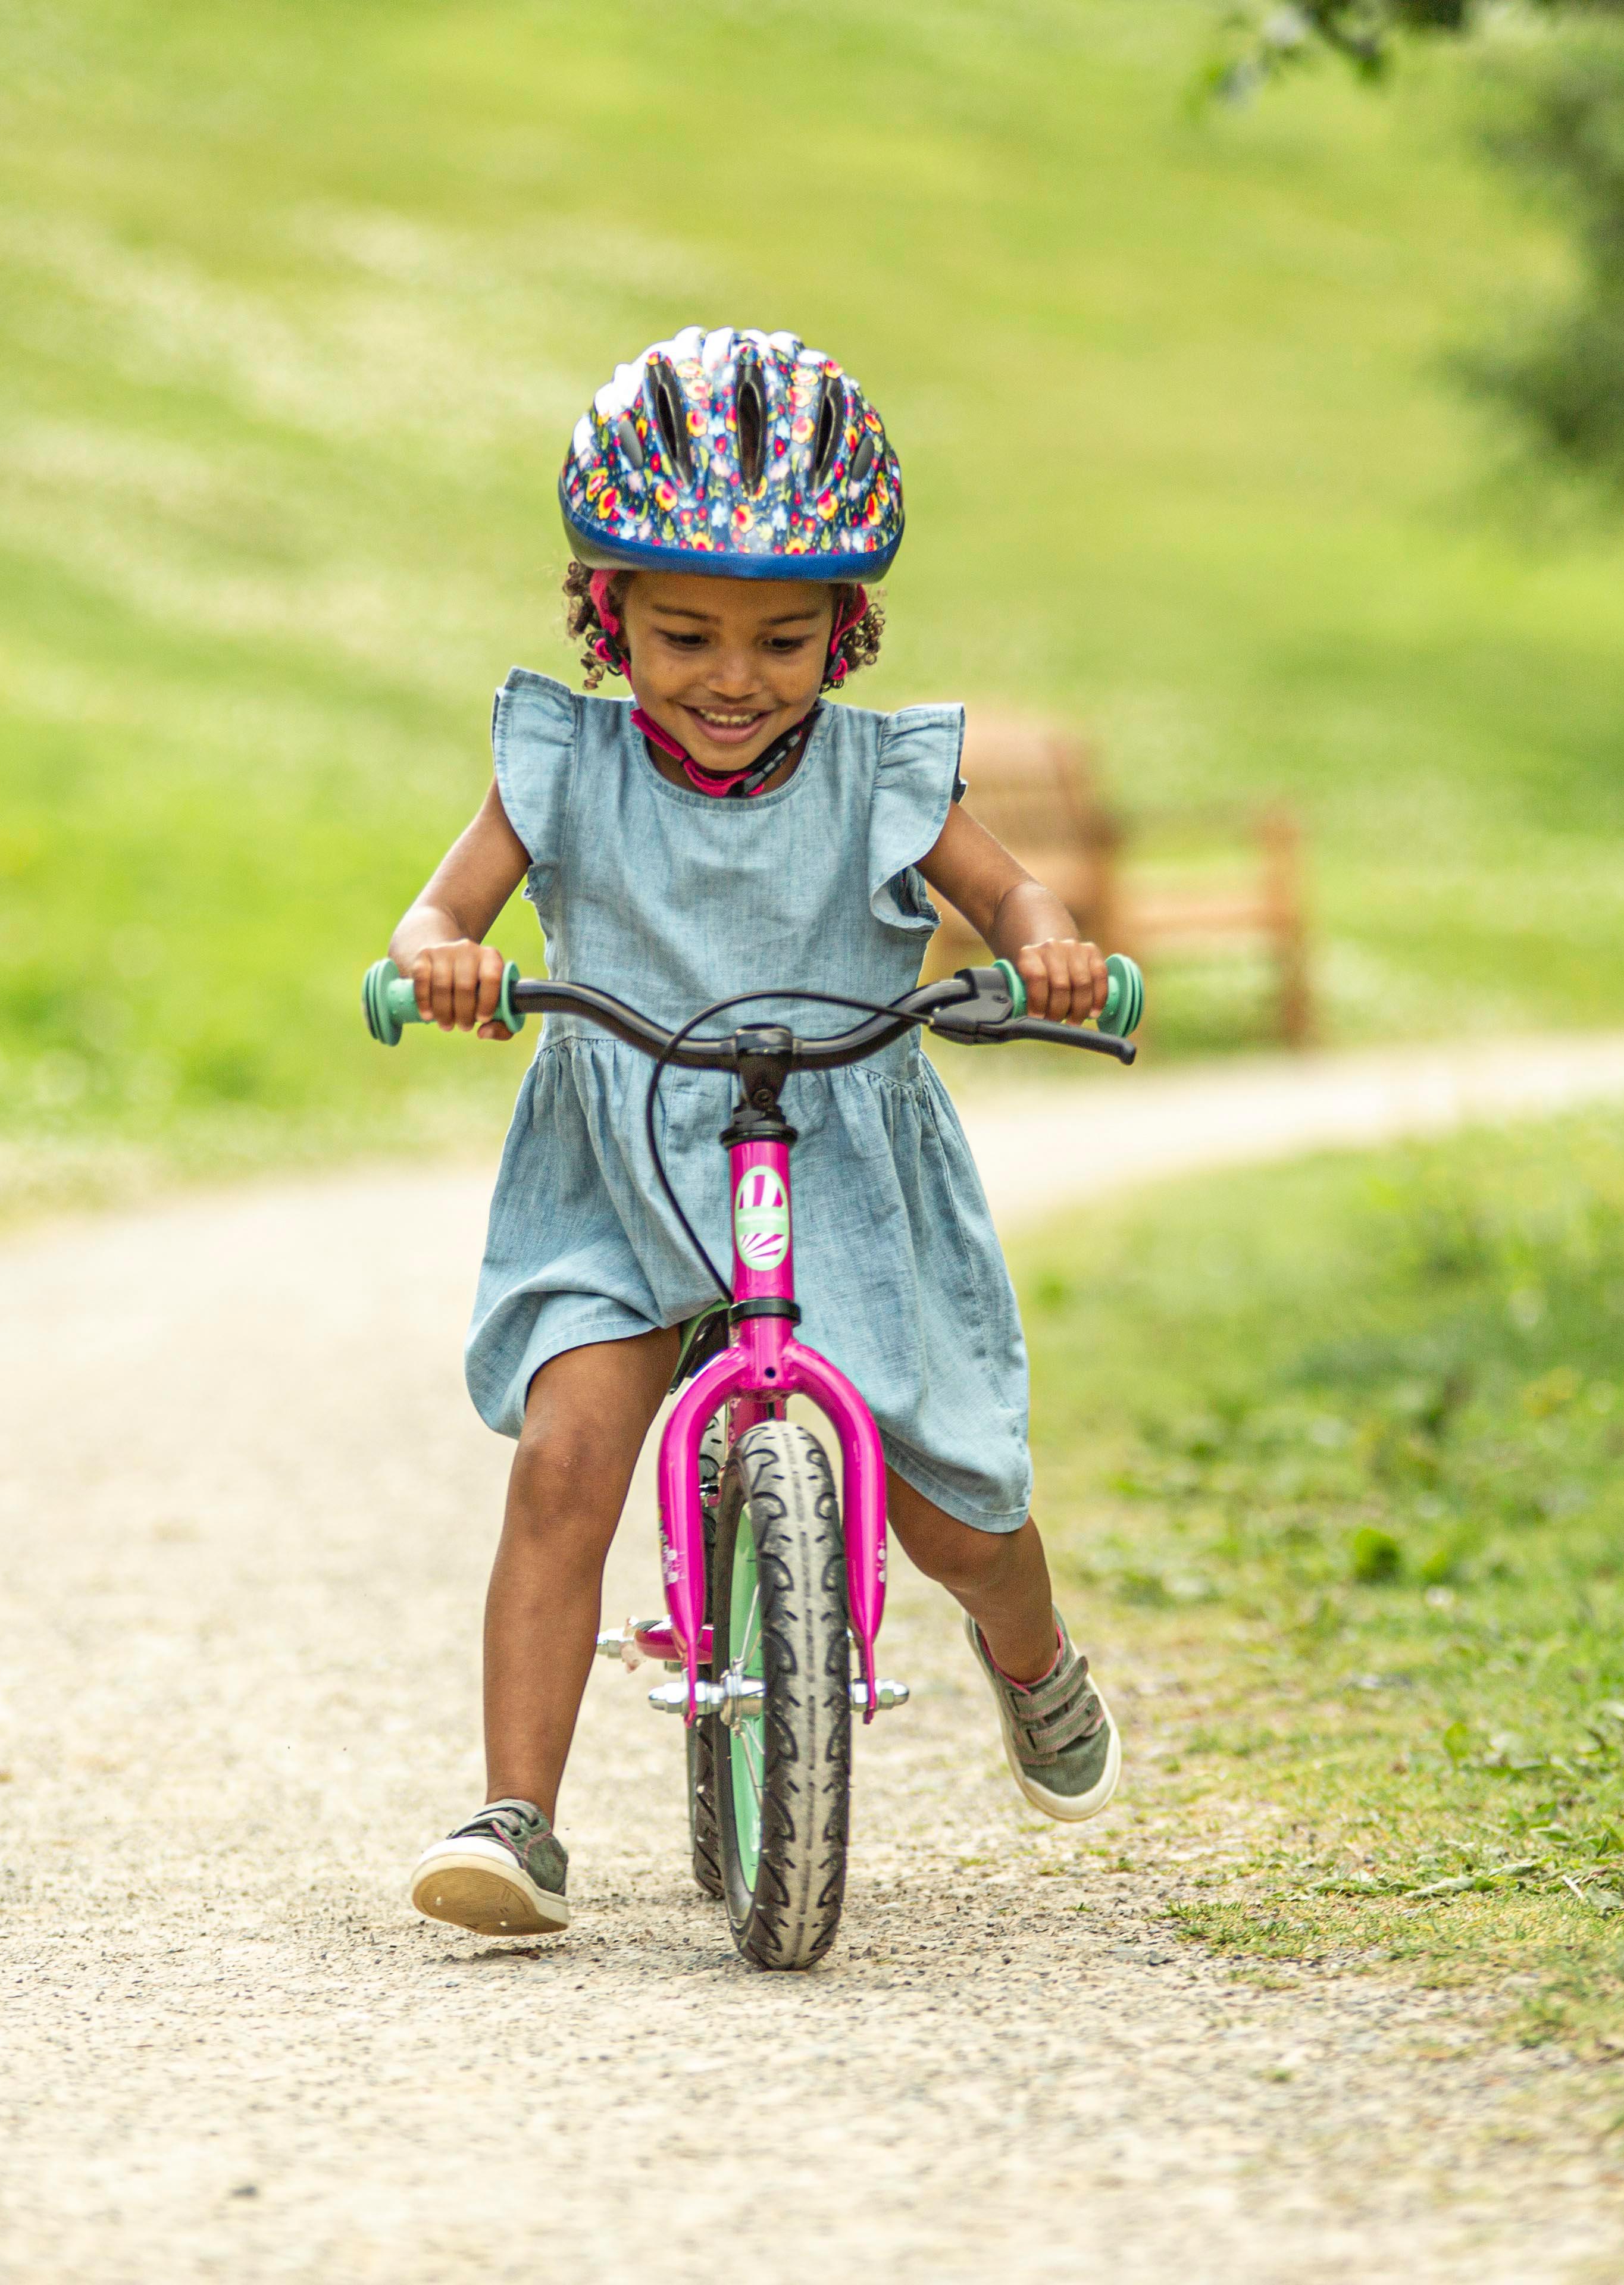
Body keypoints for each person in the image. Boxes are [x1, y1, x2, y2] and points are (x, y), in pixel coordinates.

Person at [391, 328, 1124, 1937]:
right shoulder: (565, 766)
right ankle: (517, 1817)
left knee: (956, 1514)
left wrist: (1048, 946)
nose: (734, 678)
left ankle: (1033, 1655)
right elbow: (445, 904)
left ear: (844, 633)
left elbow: (1010, 894)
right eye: (684, 634)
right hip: (624, 1154)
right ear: (608, 617)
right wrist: (436, 956)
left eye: (784, 640)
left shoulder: (880, 775)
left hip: (838, 1155)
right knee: (570, 1458)